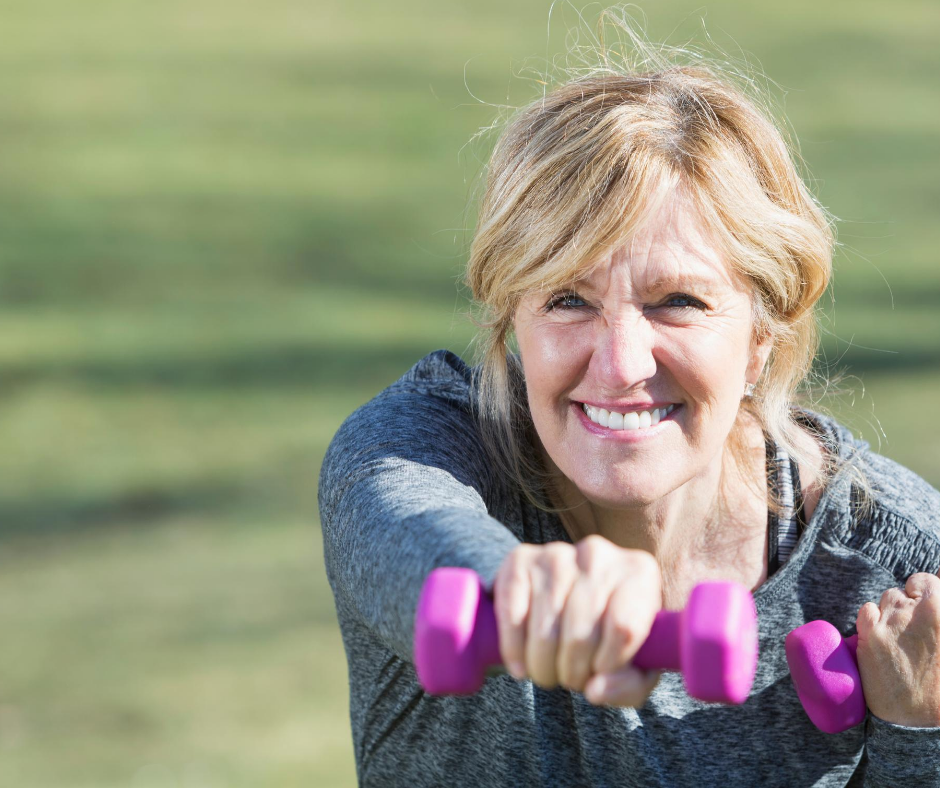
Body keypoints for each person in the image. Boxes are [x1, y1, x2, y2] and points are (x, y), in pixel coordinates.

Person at [318, 15, 940, 786]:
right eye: (568, 299)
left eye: (677, 300)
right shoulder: (417, 449)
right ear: (513, 317)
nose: (619, 364)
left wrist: (921, 734)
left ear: (761, 337)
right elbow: (408, 537)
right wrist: (518, 588)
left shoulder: (897, 565)